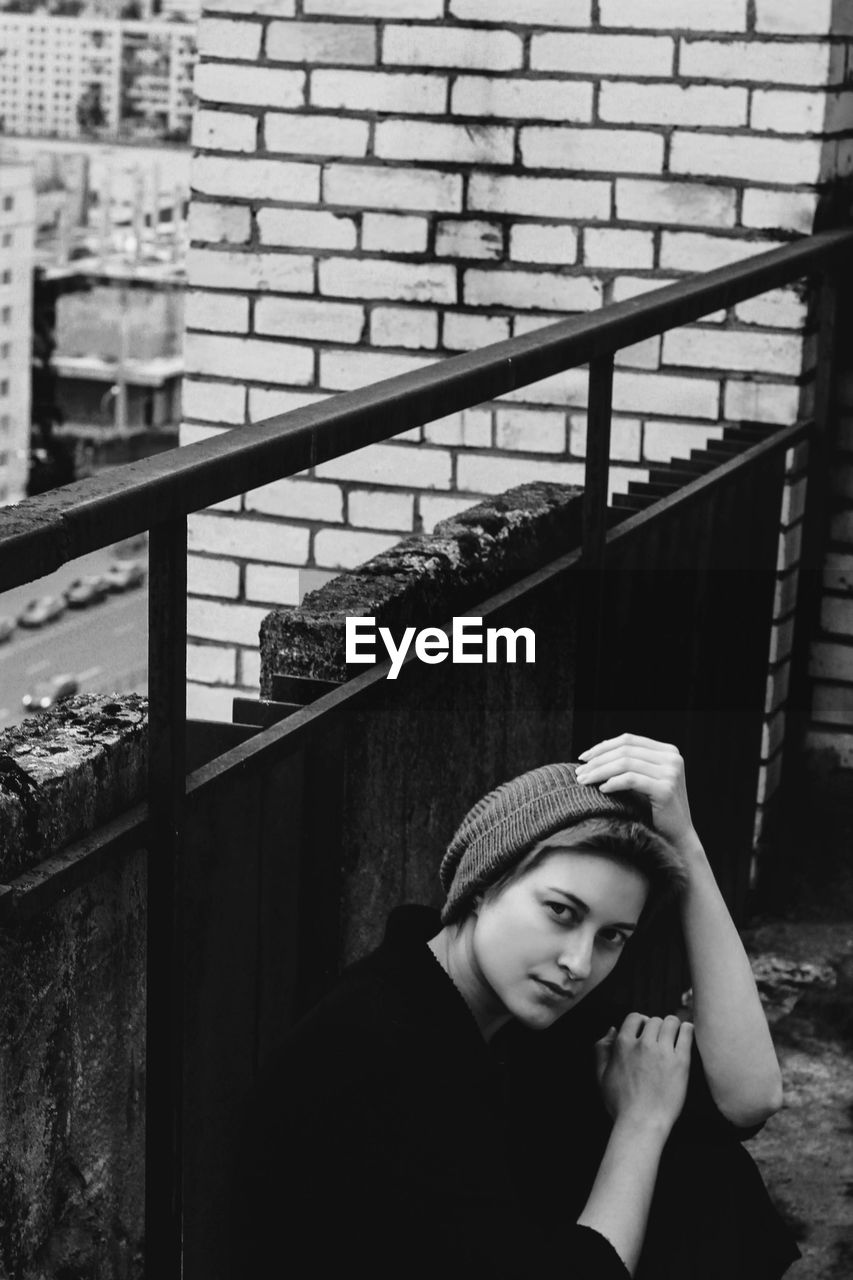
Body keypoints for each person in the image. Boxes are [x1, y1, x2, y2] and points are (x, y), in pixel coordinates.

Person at [242, 734, 800, 1279]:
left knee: (704, 1169)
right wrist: (640, 1123)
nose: (579, 963)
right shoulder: (377, 1051)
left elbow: (749, 1097)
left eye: (613, 936)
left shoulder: (514, 1013)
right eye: (561, 912)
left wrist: (688, 849)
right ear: (483, 886)